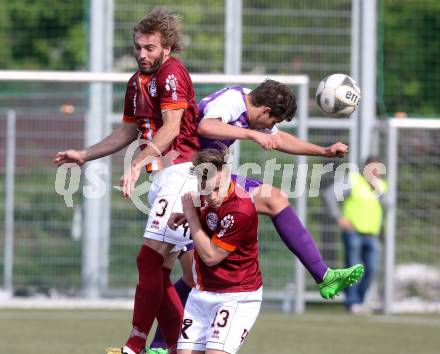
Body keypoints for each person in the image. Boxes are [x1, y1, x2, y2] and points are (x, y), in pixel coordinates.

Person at [147, 81, 365, 353]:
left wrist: (322, 152)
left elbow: (279, 138)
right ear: (264, 110)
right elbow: (206, 126)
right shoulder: (232, 101)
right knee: (194, 275)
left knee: (275, 199)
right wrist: (252, 135)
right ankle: (157, 345)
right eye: (271, 121)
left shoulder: (252, 111)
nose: (268, 128)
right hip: (183, 178)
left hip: (208, 179)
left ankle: (323, 275)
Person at [54, 8, 200, 354]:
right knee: (159, 270)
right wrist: (85, 154)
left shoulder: (172, 72)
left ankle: (135, 344)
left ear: (166, 47)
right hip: (162, 178)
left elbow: (171, 128)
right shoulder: (136, 82)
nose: (142, 54)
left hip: (183, 174)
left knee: (148, 261)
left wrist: (137, 163)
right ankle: (182, 346)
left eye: (149, 48)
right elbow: (127, 130)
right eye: (138, 47)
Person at [171, 147, 264, 354]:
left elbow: (210, 256)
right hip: (202, 292)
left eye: (217, 189)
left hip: (236, 295)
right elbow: (204, 205)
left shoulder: (240, 210)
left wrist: (192, 217)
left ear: (227, 173)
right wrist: (188, 213)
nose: (212, 197)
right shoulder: (204, 192)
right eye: (206, 190)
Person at [323, 156, 388, 314]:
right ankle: (352, 302)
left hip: (372, 234)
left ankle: (359, 300)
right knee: (353, 268)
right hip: (353, 232)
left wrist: (377, 189)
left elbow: (389, 204)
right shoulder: (354, 180)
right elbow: (329, 194)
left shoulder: (382, 186)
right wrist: (339, 217)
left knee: (371, 269)